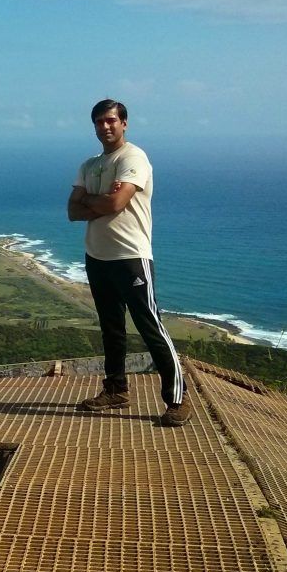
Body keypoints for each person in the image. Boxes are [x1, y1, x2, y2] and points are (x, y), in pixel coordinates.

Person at [67, 99, 190, 426]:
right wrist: (104, 202)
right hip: (97, 257)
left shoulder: (133, 157)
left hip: (131, 258)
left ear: (124, 123)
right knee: (111, 328)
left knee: (151, 326)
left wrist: (101, 201)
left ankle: (177, 399)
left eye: (110, 121)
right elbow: (72, 210)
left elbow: (118, 202)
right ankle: (116, 389)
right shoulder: (89, 165)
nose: (105, 127)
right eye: (99, 122)